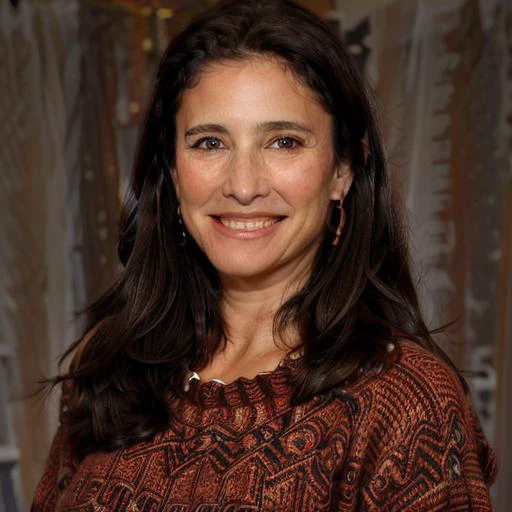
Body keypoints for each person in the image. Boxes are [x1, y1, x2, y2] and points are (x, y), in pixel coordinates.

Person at [32, 0, 496, 510]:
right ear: (171, 168)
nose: (244, 185)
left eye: (283, 142)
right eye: (210, 143)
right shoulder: (109, 364)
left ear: (343, 169)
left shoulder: (405, 403)